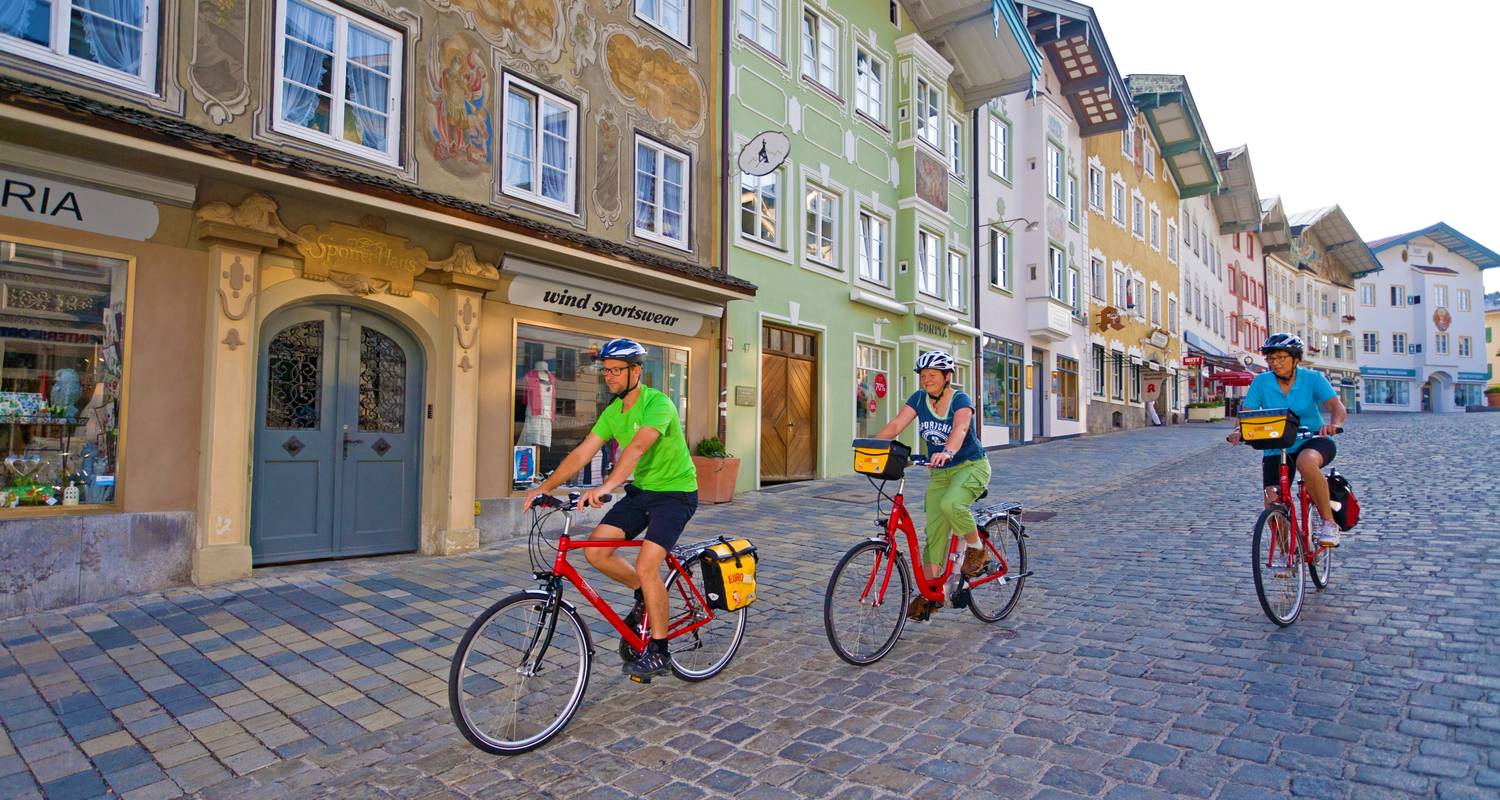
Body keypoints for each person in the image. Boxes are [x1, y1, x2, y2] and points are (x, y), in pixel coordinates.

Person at [522, 338, 698, 680]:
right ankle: (645, 596)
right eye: (606, 371)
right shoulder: (612, 412)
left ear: (636, 371)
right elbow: (581, 453)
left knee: (648, 565)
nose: (610, 377)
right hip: (642, 493)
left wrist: (605, 487)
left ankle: (659, 650)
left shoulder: (657, 404)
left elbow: (636, 448)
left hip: (675, 494)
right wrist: (544, 487)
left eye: (617, 370)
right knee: (597, 552)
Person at [870, 351, 991, 621]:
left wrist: (948, 451)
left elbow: (960, 428)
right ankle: (931, 593)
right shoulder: (918, 399)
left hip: (970, 466)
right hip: (939, 473)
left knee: (952, 505)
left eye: (932, 376)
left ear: (947, 377)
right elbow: (896, 424)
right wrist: (870, 445)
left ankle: (977, 550)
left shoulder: (960, 399)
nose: (927, 380)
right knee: (934, 533)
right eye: (924, 376)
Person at [1228, 333, 1348, 547]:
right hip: (1276, 445)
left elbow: (1336, 406)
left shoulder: (1312, 379)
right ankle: (1286, 552)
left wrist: (1334, 424)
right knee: (1272, 498)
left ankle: (1329, 523)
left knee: (1306, 461)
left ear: (1296, 359)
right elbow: (1247, 412)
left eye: (1281, 357)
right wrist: (1239, 429)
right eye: (1271, 359)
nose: (1275, 363)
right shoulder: (1262, 382)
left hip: (1312, 439)